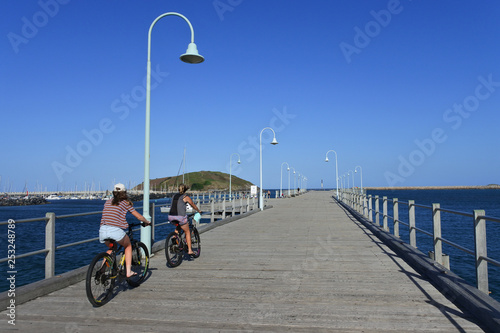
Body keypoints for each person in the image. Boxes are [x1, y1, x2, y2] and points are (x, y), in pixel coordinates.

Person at [99, 183, 150, 278]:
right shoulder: (125, 203)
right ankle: (128, 271)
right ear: (124, 193)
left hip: (103, 230)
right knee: (128, 246)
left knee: (112, 248)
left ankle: (102, 269)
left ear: (114, 192)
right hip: (115, 231)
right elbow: (138, 216)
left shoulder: (107, 202)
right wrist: (147, 221)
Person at [168, 184, 202, 256]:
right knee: (187, 232)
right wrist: (198, 210)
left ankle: (174, 238)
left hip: (171, 216)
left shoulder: (174, 196)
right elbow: (193, 205)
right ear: (186, 190)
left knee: (179, 226)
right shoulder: (185, 197)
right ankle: (190, 250)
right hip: (180, 217)